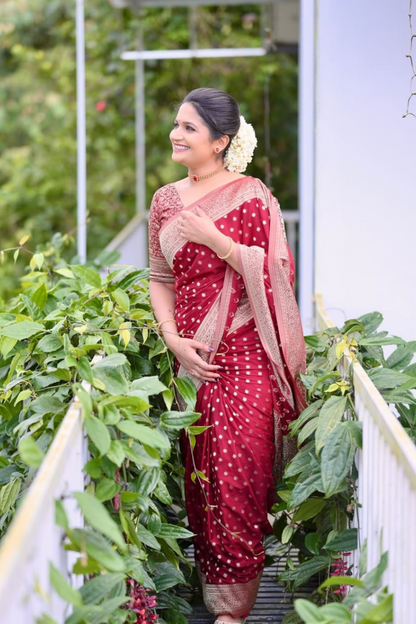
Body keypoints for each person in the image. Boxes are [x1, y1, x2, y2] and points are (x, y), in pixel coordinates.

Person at [148, 88, 306, 624]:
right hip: (191, 366)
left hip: (247, 361)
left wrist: (218, 241)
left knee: (240, 482)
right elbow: (159, 277)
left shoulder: (252, 195)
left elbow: (278, 275)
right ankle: (220, 603)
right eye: (177, 124)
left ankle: (232, 615)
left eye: (189, 128)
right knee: (204, 485)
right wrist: (171, 339)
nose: (176, 134)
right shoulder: (165, 201)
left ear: (220, 141)